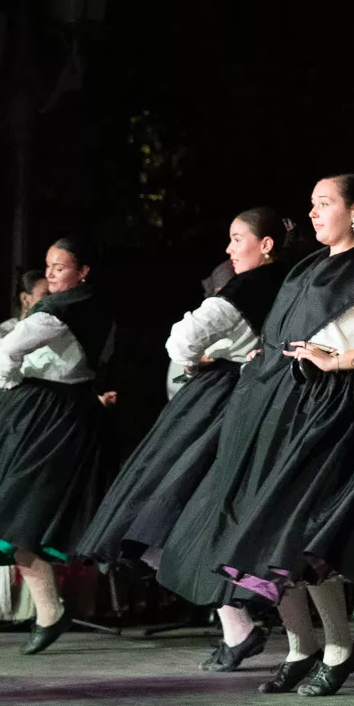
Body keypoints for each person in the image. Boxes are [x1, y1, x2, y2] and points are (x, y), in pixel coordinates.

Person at [157, 174, 354, 697]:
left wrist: (337, 360)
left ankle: (338, 647)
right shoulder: (309, 265)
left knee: (302, 529)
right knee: (263, 528)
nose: (314, 213)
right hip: (280, 404)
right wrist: (262, 356)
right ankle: (300, 647)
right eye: (312, 204)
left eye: (325, 204)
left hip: (330, 407)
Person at [77, 208, 293, 672]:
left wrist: (202, 357)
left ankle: (249, 623)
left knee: (174, 508)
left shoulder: (246, 288)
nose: (230, 248)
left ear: (267, 244)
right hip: (270, 400)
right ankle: (243, 625)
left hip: (222, 404)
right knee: (204, 512)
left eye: (238, 239)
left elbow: (181, 342)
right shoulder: (292, 284)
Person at [0, 237, 114, 654]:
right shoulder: (93, 307)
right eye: (48, 266)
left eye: (60, 266)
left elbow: (5, 354)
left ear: (83, 271)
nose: (50, 273)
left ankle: (50, 611)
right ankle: (50, 611)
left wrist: (13, 386)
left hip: (41, 413)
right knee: (19, 516)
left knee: (14, 512)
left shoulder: (55, 313)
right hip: (68, 412)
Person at [0, 270, 48, 415]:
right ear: (25, 298)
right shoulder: (6, 331)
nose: (50, 301)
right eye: (45, 296)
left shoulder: (54, 330)